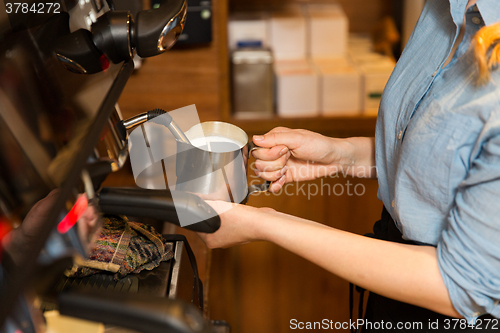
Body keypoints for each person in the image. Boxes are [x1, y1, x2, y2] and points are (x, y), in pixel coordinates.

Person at [198, 0, 500, 330]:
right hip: (390, 275)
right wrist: (340, 154)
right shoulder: (445, 8)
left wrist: (263, 223)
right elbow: (444, 158)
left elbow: (459, 286)